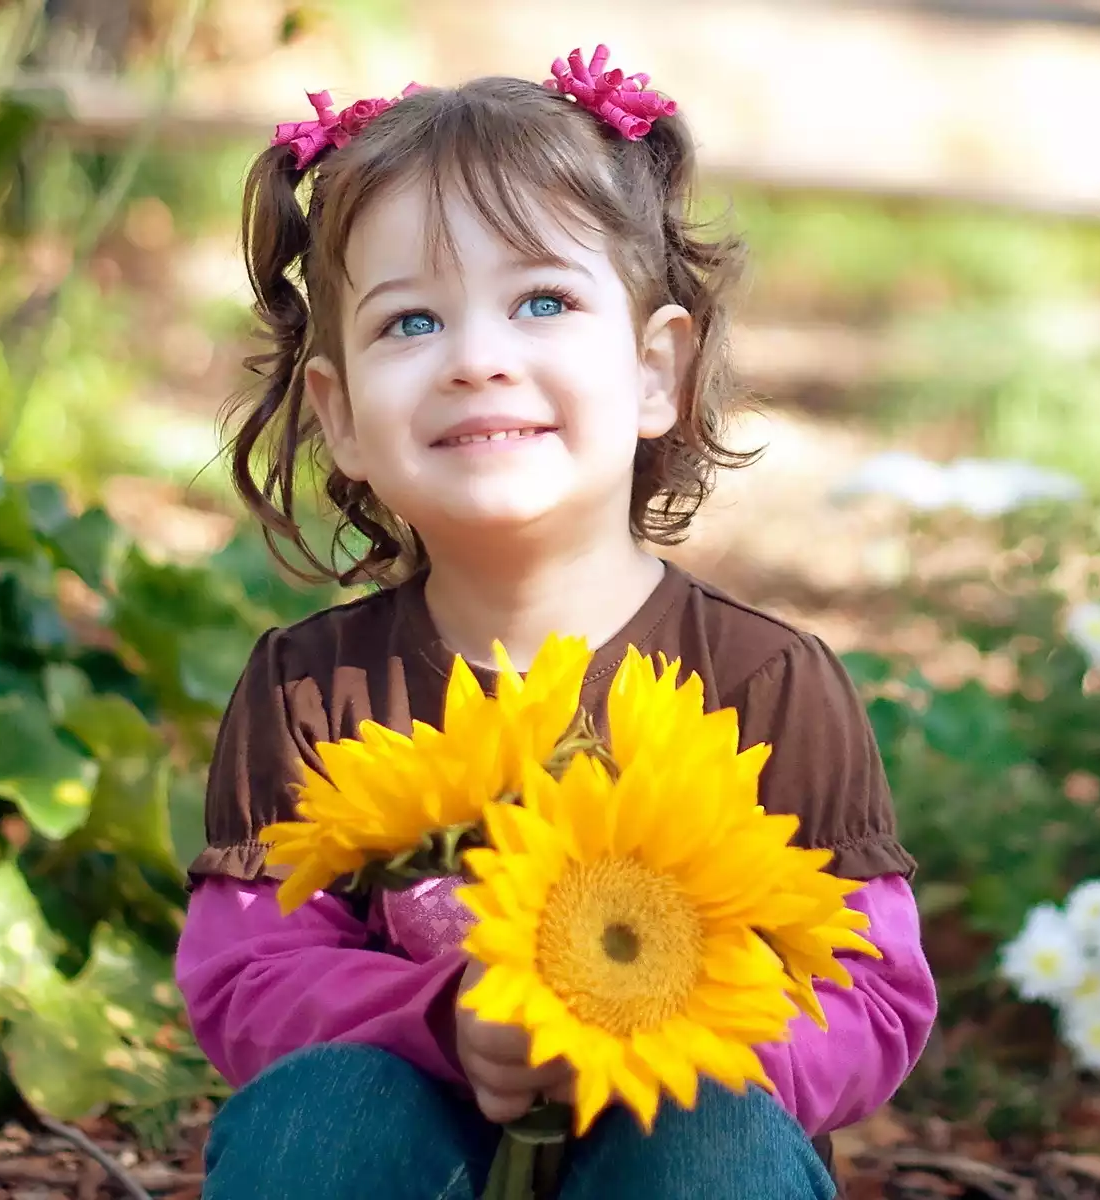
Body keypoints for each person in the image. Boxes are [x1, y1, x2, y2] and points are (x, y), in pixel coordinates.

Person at [173, 49, 937, 1200]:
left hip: (676, 1134)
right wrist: (444, 1016)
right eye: (410, 322)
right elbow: (247, 975)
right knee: (319, 1119)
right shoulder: (310, 690)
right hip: (412, 1151)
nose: (479, 359)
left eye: (543, 302)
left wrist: (668, 1034)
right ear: (339, 417)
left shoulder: (768, 686)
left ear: (652, 371)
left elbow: (873, 996)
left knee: (711, 1136)